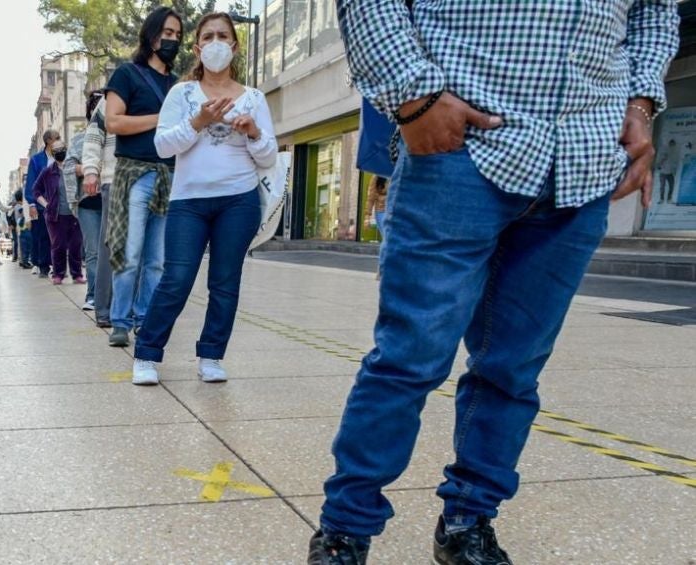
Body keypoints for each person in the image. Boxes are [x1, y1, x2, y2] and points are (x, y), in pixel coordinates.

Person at [309, 2, 679, 564]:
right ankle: (345, 530)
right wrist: (415, 94)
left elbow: (657, 11)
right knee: (409, 359)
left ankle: (468, 519)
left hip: (583, 157)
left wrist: (640, 102)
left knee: (513, 368)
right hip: (459, 141)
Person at [130, 13, 276, 386]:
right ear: (196, 48)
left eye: (222, 36)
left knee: (225, 282)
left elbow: (268, 157)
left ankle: (211, 354)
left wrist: (253, 130)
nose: (215, 42)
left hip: (238, 201)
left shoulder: (254, 98)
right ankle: (147, 353)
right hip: (189, 202)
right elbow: (163, 146)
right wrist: (197, 122)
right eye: (208, 36)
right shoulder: (182, 94)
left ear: (234, 45)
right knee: (176, 278)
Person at [104, 6, 182, 347]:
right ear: (151, 36)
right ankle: (120, 321)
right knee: (130, 253)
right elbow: (114, 122)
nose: (173, 40)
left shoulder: (179, 85)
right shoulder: (127, 74)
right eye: (167, 33)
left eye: (178, 35)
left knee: (157, 262)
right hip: (135, 174)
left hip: (170, 175)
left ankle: (144, 320)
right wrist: (160, 118)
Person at [67, 91, 106, 311]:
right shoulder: (80, 140)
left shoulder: (119, 135)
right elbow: (70, 167)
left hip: (115, 200)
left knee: (115, 250)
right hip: (88, 204)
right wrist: (90, 168)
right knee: (93, 251)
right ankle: (93, 295)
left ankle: (113, 297)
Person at [82, 94, 118, 328]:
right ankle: (103, 307)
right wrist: (91, 171)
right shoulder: (114, 97)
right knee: (106, 246)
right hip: (114, 178)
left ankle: (137, 310)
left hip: (156, 178)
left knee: (147, 253)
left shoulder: (167, 89)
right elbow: (94, 137)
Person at [33, 141, 84, 285]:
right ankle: (58, 274)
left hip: (75, 213)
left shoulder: (75, 168)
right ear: (52, 153)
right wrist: (46, 204)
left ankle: (77, 274)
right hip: (55, 215)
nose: (59, 151)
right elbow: (36, 191)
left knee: (75, 245)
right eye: (56, 150)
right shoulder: (48, 172)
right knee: (58, 246)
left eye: (62, 149)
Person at [25, 129, 59, 278]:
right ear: (49, 141)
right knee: (43, 236)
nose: (60, 140)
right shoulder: (36, 160)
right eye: (57, 138)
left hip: (60, 203)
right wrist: (32, 204)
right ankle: (43, 266)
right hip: (42, 204)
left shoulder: (63, 157)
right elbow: (31, 183)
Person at [13, 189, 33, 269]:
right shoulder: (21, 207)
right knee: (27, 246)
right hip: (25, 228)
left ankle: (23, 261)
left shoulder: (16, 206)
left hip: (19, 229)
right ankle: (25, 261)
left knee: (22, 246)